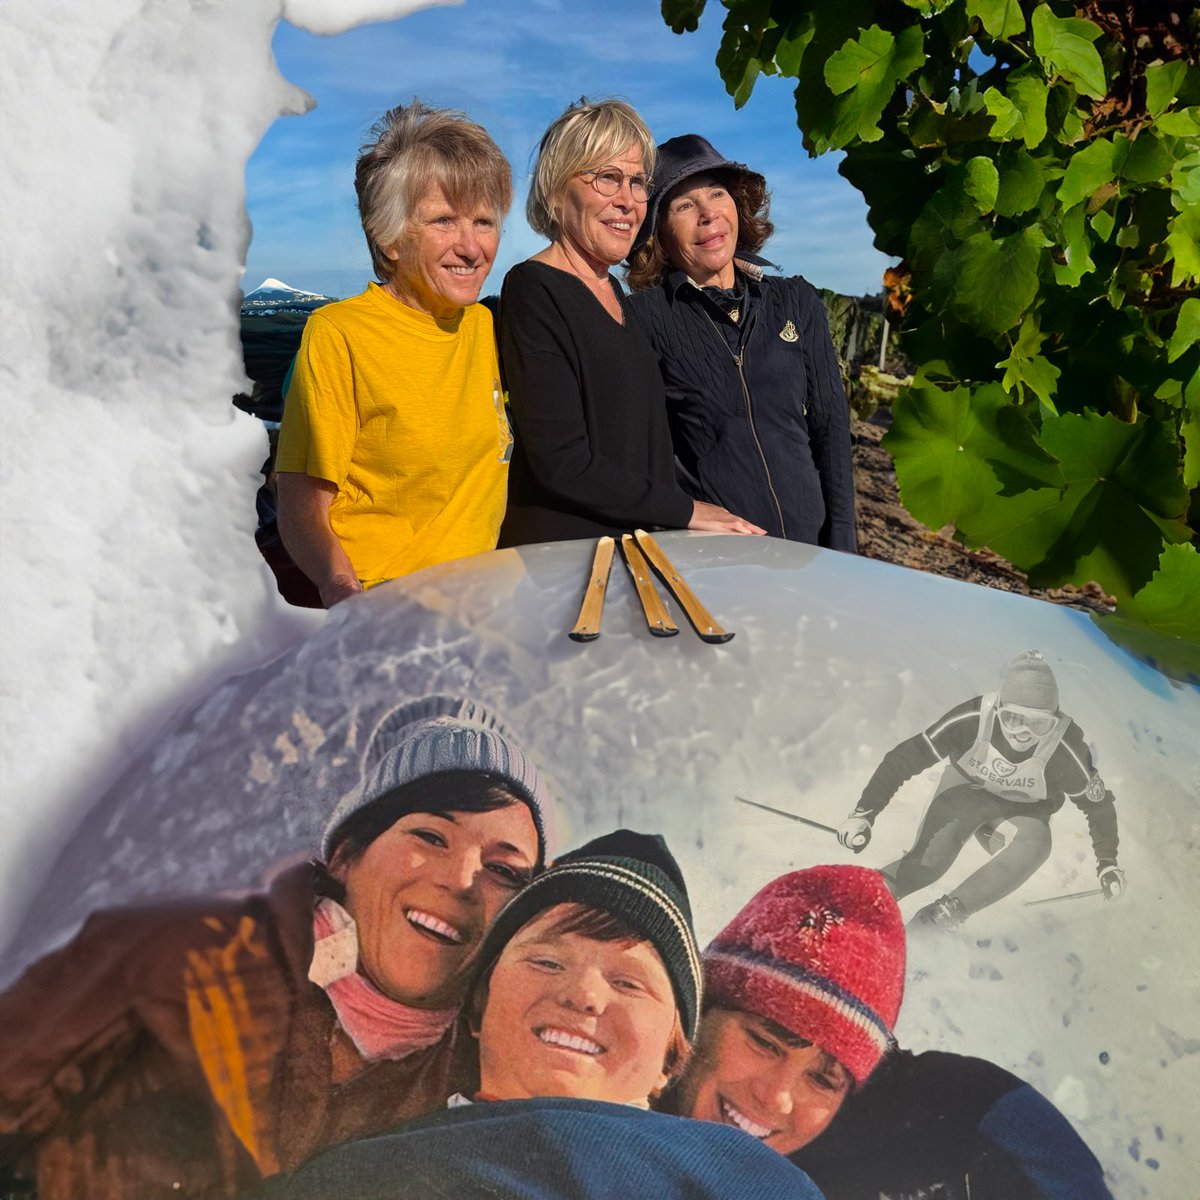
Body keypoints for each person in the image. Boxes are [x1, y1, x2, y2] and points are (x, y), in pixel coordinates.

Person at [0, 696, 550, 1199]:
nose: (461, 879)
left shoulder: (484, 1077)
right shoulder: (176, 952)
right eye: (430, 836)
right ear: (346, 856)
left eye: (503, 870)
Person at [255, 831, 824, 1199]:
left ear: (671, 1060)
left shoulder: (747, 1181)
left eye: (628, 983)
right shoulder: (343, 1176)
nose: (584, 996)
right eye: (547, 961)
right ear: (477, 1007)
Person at [664, 865, 1114, 1200]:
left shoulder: (868, 1136)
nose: (777, 1096)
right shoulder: (606, 1096)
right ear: (701, 1012)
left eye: (823, 1078)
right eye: (764, 1043)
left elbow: (965, 1102)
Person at [274, 101, 515, 607]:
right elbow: (301, 508)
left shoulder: (484, 325)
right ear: (388, 239)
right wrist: (345, 596)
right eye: (444, 221)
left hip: (482, 600)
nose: (472, 247)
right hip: (386, 601)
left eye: (484, 221)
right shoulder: (339, 334)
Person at [497, 99, 764, 546]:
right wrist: (686, 510)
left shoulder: (616, 293)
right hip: (569, 564)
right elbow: (562, 461)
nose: (627, 201)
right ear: (558, 189)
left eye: (638, 182)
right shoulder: (533, 289)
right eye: (607, 178)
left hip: (633, 554)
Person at [625, 135, 856, 551]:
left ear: (738, 206)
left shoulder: (795, 300)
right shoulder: (645, 318)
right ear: (659, 231)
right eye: (683, 205)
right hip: (719, 560)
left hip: (812, 552)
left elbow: (831, 428)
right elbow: (639, 456)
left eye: (717, 193)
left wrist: (843, 547)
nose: (708, 213)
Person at [836, 650, 1124, 928]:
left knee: (1035, 845)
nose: (1022, 734)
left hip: (1016, 817)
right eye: (1013, 719)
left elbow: (1097, 804)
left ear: (1055, 719)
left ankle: (936, 922)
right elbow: (904, 759)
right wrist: (864, 814)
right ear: (998, 708)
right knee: (930, 863)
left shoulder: (1065, 747)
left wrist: (1107, 862)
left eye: (1038, 724)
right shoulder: (973, 718)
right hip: (964, 796)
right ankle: (859, 903)